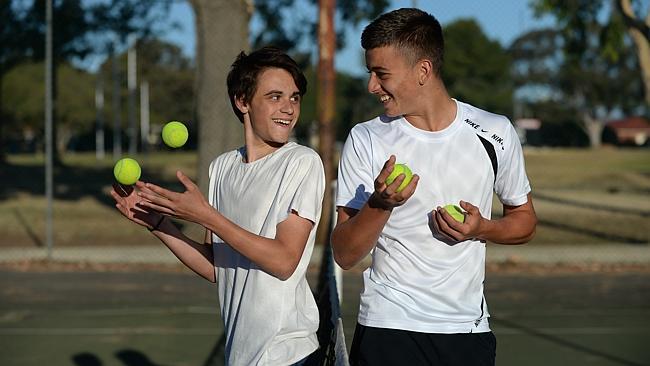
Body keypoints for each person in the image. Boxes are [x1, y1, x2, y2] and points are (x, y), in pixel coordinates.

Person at [331, 8, 537, 366]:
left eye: (381, 74)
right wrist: (381, 204)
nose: (371, 86)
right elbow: (345, 254)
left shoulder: (495, 132)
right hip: (387, 327)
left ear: (423, 71)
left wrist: (482, 229)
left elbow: (525, 220)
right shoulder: (365, 139)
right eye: (370, 73)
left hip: (468, 333)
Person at [111, 47, 325, 366]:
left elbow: (284, 260)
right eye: (275, 96)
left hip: (287, 354)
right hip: (240, 353)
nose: (289, 108)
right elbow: (217, 267)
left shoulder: (302, 162)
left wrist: (205, 215)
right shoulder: (222, 168)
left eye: (294, 98)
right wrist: (159, 224)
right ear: (242, 101)